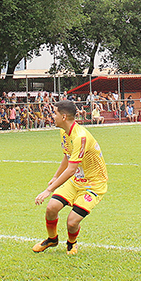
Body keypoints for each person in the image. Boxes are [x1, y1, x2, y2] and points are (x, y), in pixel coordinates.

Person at [33, 100, 108, 256]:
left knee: (72, 221)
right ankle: (52, 239)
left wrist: (49, 190)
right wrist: (55, 177)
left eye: (55, 113)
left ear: (64, 116)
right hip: (76, 181)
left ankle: (71, 243)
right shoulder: (64, 132)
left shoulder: (80, 136)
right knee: (51, 208)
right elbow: (68, 157)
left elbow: (72, 169)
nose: (52, 116)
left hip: (93, 184)